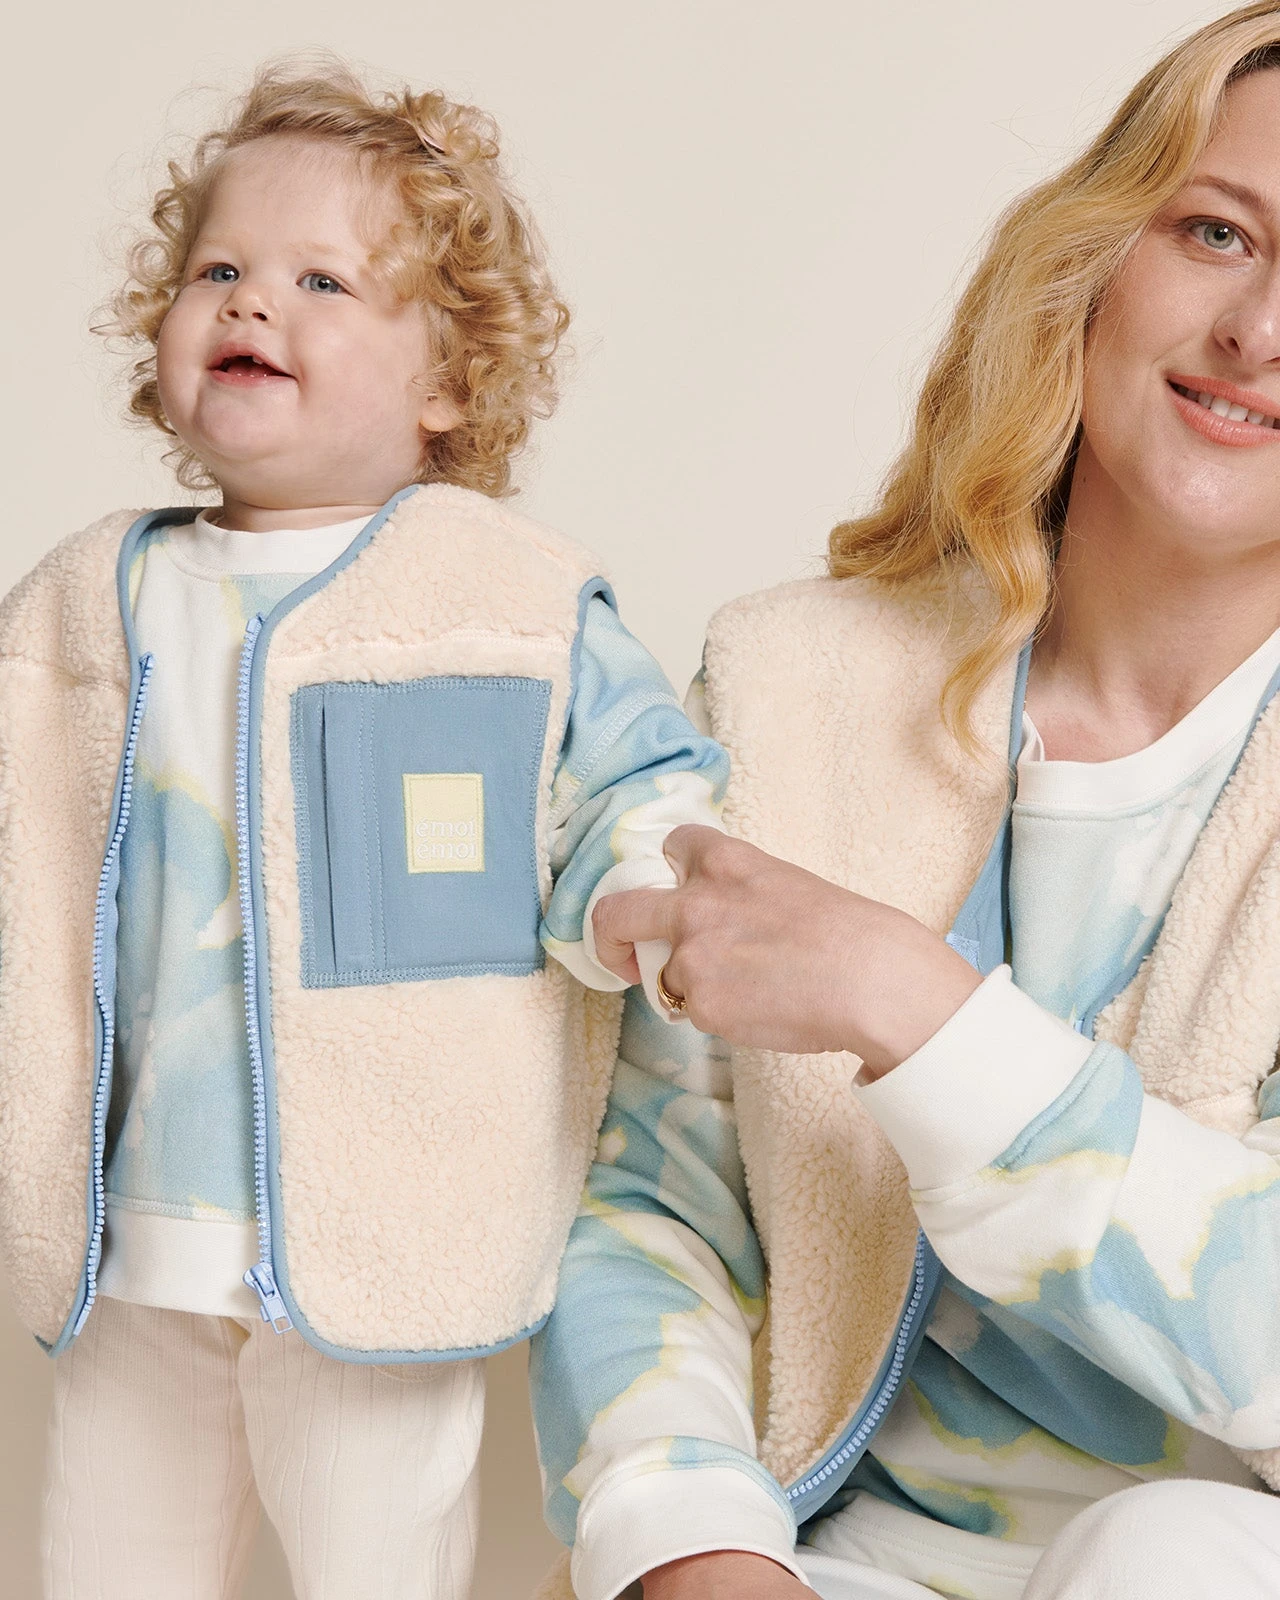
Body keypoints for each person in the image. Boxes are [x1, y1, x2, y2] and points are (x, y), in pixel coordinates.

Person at [532, 5, 1280, 1598]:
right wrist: (693, 1548)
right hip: (842, 1558)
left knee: (1164, 1556)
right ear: (1096, 257)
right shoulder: (794, 686)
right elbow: (652, 1205)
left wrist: (918, 1012)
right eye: (1219, 232)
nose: (1259, 329)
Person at [0, 59, 726, 1600]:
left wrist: (641, 896)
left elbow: (634, 783)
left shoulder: (505, 601)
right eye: (218, 270)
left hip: (387, 1229)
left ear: (445, 381)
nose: (254, 301)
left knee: (376, 1571)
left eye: (323, 280)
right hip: (131, 1246)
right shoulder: (82, 600)